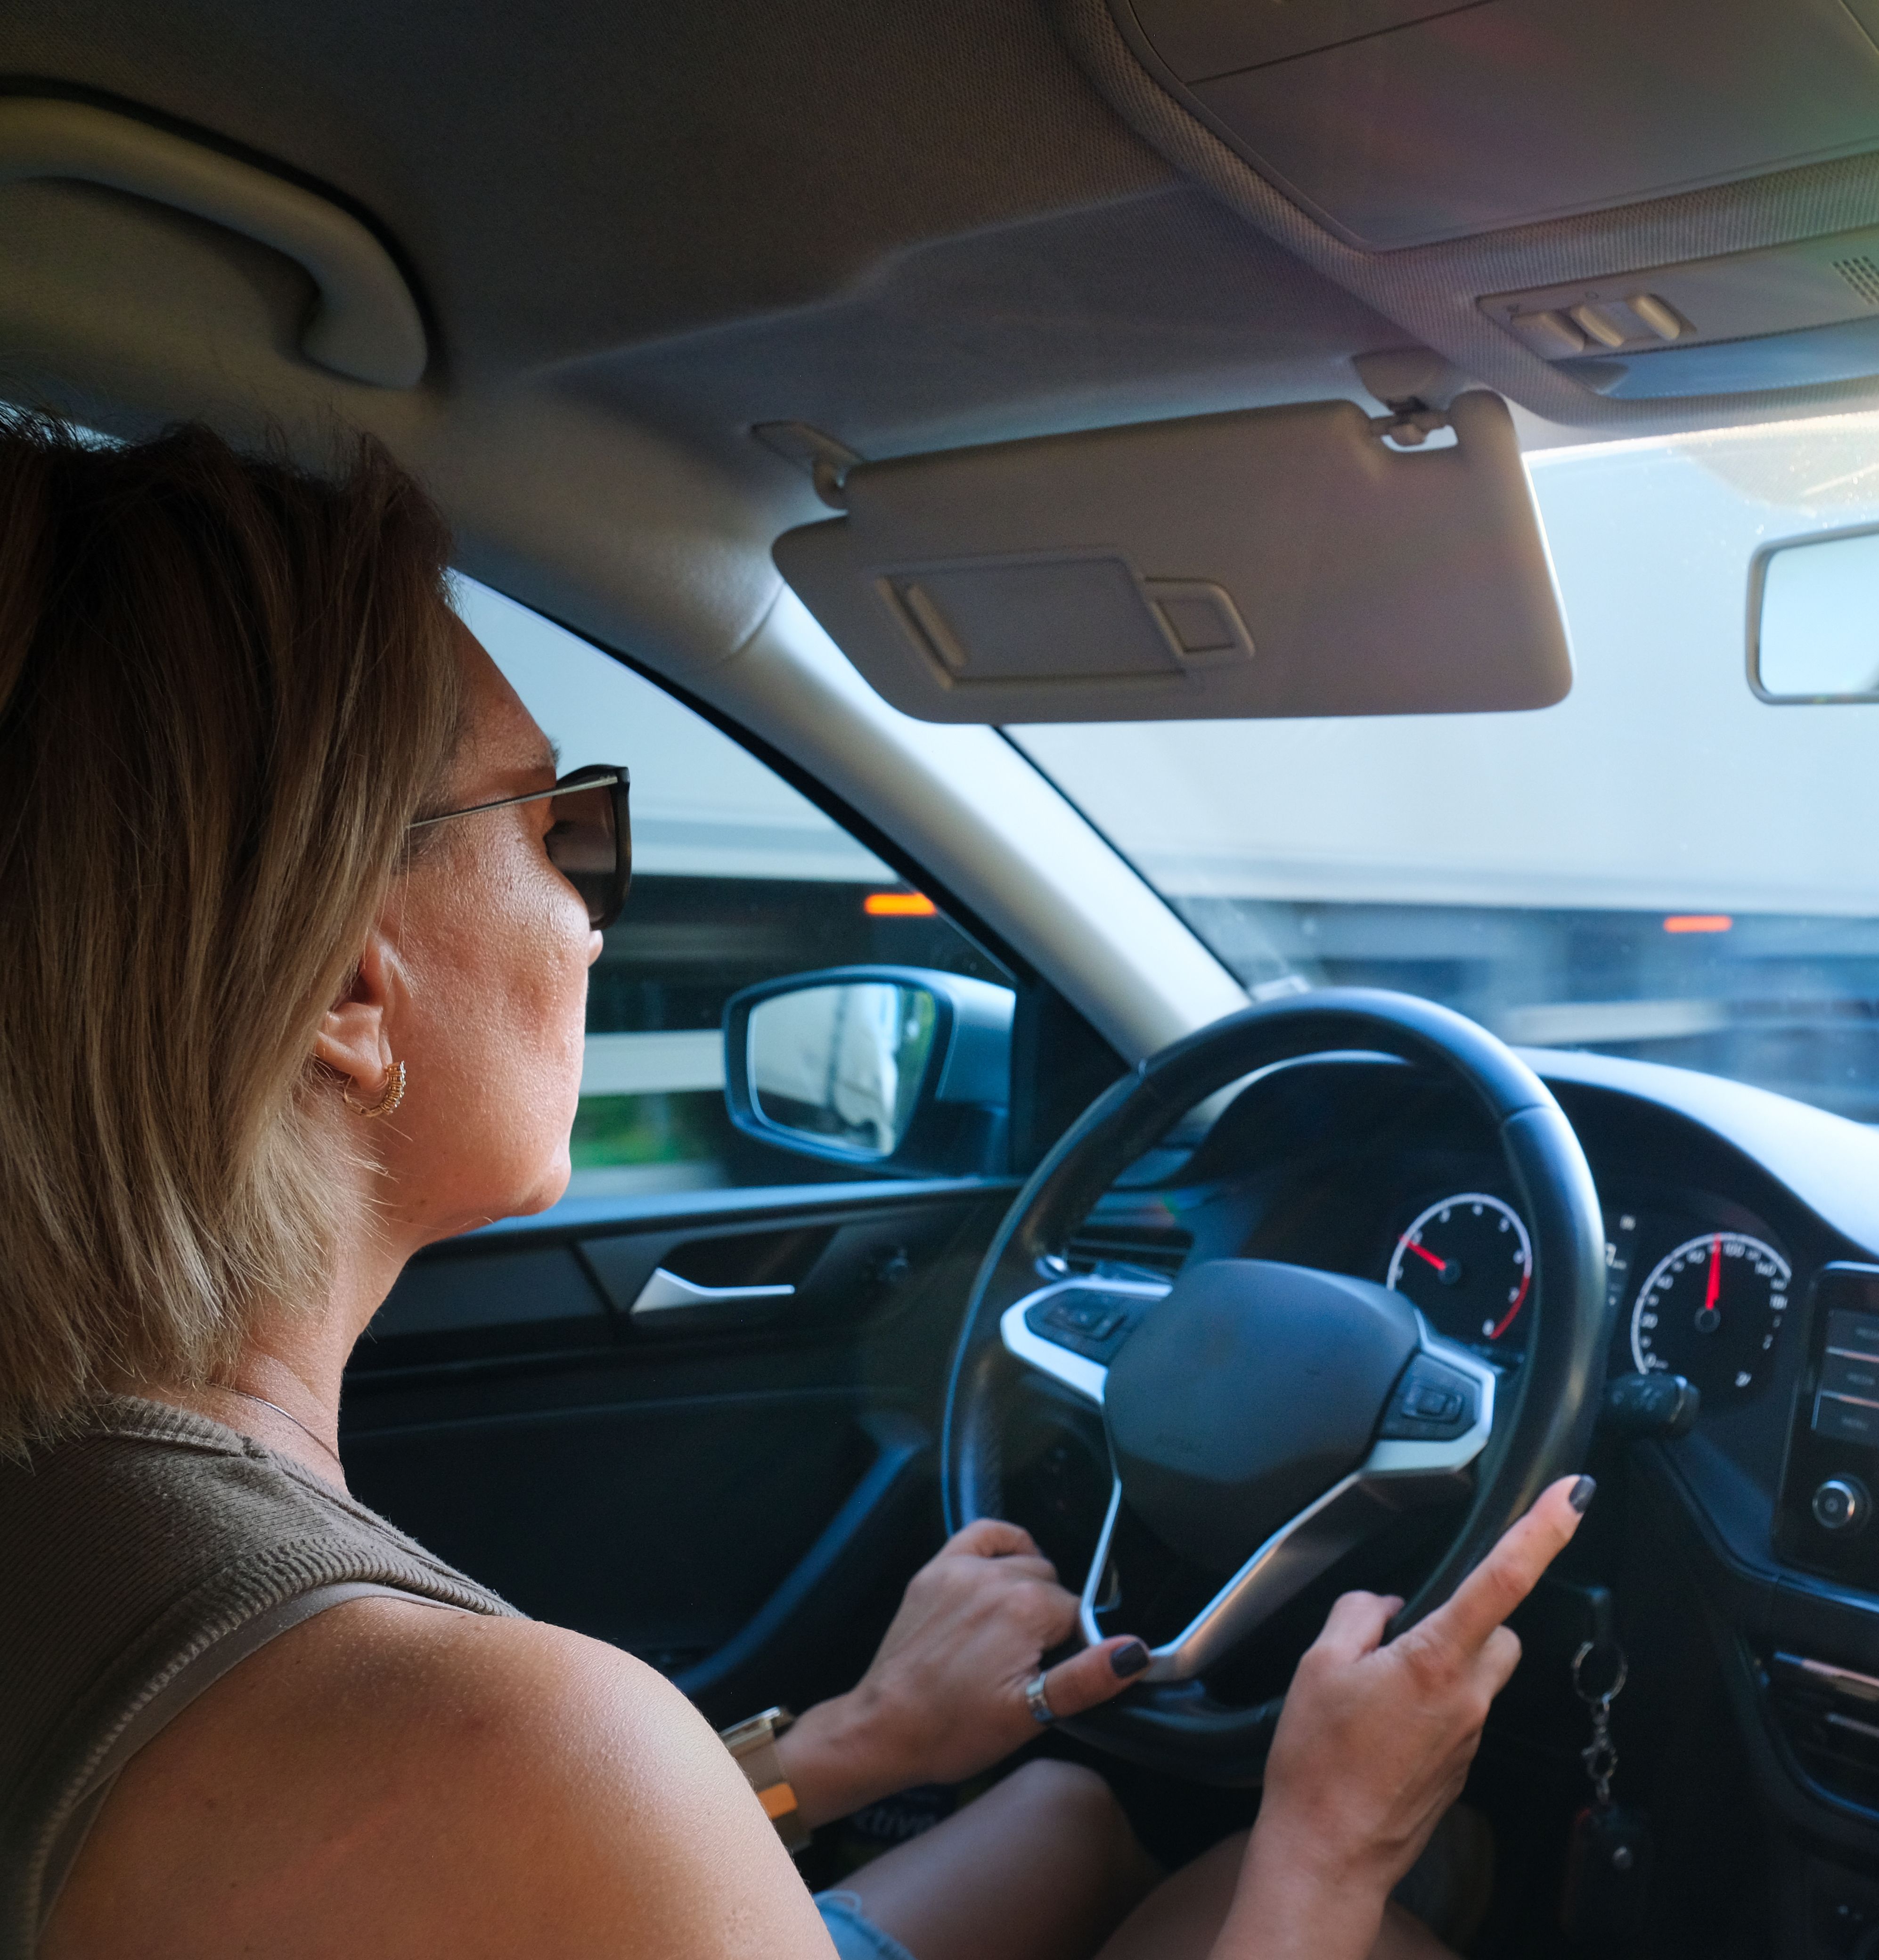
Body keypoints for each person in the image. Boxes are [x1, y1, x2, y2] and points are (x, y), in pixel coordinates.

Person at [0, 414, 1587, 1960]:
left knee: (1067, 1821)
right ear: (352, 989)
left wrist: (857, 1742)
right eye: (561, 827)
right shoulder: (496, 1755)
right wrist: (1331, 1847)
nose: (598, 913)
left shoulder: (97, 1518)